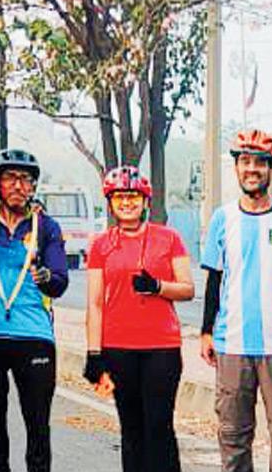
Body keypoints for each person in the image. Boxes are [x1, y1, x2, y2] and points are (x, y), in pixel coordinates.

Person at [200, 130, 272, 472]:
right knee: (233, 436)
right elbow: (214, 279)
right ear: (236, 168)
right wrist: (206, 332)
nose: (252, 169)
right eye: (245, 162)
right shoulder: (223, 218)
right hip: (232, 343)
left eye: (260, 163)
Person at [83, 165, 195, 472]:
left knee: (159, 426)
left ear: (145, 201)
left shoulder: (169, 238)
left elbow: (187, 289)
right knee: (131, 428)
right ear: (110, 203)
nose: (127, 203)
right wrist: (94, 354)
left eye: (133, 196)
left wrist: (158, 287)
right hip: (118, 346)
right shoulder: (101, 245)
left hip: (161, 347)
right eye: (119, 197)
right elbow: (94, 303)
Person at [0, 149, 69, 472]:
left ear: (34, 186)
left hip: (34, 336)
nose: (18, 186)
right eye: (10, 178)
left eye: (25, 179)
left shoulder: (46, 226)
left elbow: (60, 282)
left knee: (38, 425)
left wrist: (47, 277)